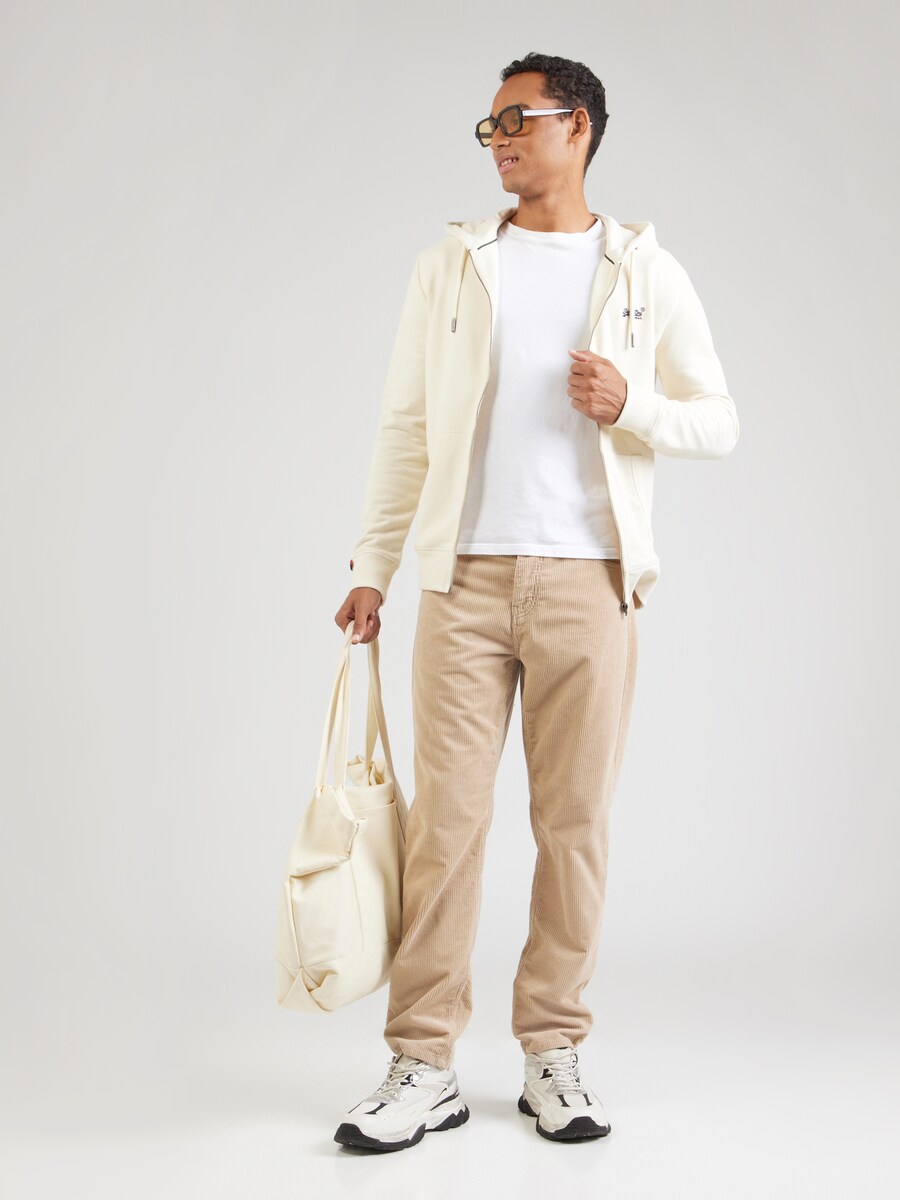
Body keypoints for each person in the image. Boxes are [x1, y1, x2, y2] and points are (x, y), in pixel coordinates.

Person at [331, 51, 739, 1152]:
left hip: (590, 583)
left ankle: (552, 1050)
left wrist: (633, 404)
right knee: (446, 830)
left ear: (581, 126)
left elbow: (719, 418)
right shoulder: (454, 264)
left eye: (520, 119)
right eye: (492, 125)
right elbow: (406, 425)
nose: (500, 139)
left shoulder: (642, 268)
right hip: (461, 580)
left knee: (574, 829)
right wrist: (372, 564)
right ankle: (423, 1064)